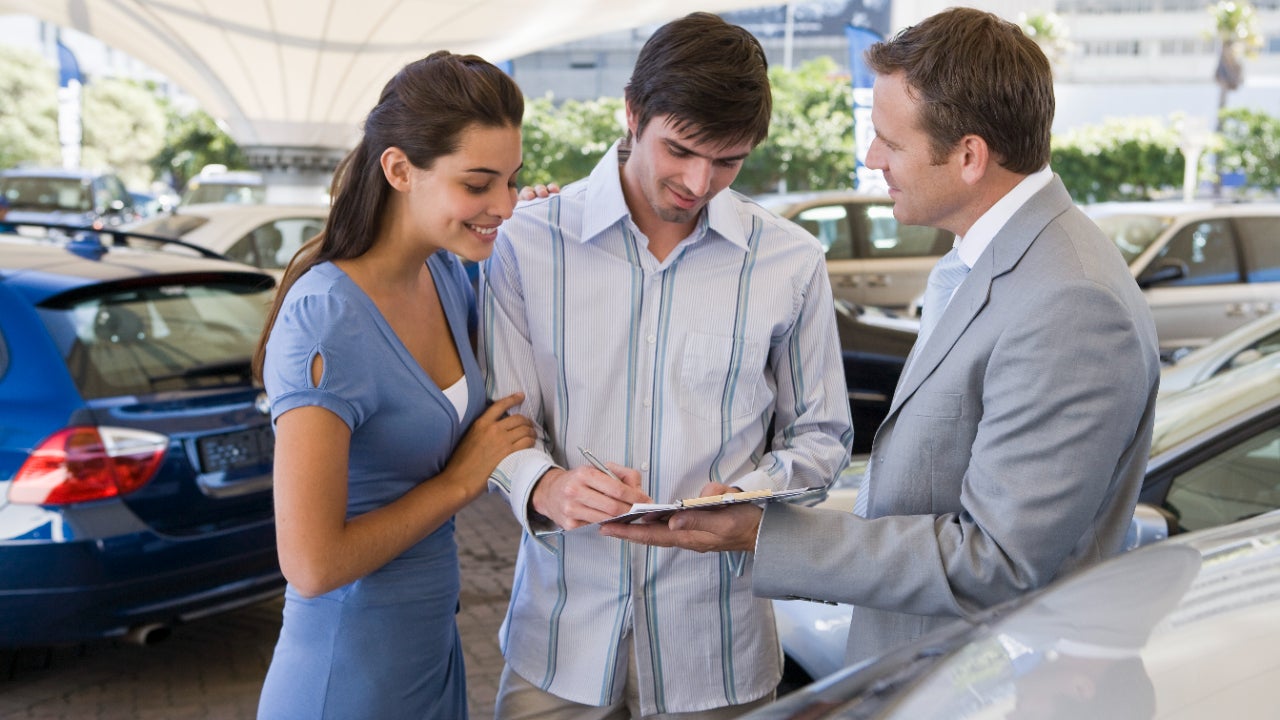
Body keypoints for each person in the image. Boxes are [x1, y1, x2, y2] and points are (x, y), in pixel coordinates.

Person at [602, 6, 1161, 672]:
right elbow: (929, 487)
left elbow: (997, 561)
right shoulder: (1000, 260)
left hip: (981, 684)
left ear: (969, 156)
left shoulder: (1070, 299)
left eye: (889, 143)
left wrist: (766, 535)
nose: (872, 160)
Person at [478, 12, 853, 719]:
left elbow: (822, 436)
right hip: (558, 642)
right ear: (631, 111)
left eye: (729, 160)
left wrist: (751, 494)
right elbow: (502, 420)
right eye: (679, 149)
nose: (698, 180)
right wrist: (546, 485)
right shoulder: (527, 241)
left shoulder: (792, 262)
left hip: (716, 648)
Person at [252, 51, 536, 719]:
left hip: (428, 661)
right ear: (400, 169)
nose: (504, 205)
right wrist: (461, 482)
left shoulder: (443, 274)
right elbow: (311, 564)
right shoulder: (327, 317)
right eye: (478, 184)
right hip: (346, 682)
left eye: (513, 181)